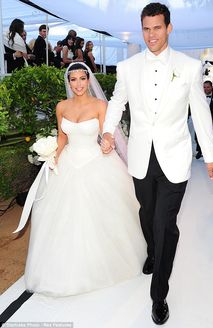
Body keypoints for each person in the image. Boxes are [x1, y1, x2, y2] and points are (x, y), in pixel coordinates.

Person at [101, 2, 213, 325]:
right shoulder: (126, 68)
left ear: (169, 28)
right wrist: (107, 132)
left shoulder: (189, 67)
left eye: (157, 27)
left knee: (164, 223)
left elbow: (200, 112)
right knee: (147, 214)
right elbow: (116, 102)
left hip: (175, 157)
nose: (151, 34)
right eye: (146, 28)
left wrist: (210, 156)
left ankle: (159, 296)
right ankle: (153, 251)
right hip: (141, 157)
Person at [15, 62, 146, 297]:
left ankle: (103, 263)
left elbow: (107, 134)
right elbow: (63, 136)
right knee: (61, 217)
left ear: (88, 80)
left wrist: (108, 144)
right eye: (73, 79)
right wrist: (53, 153)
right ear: (68, 82)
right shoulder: (61, 106)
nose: (78, 84)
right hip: (68, 162)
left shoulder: (99, 105)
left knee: (103, 215)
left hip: (97, 163)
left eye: (82, 79)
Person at [195, 80, 213, 159]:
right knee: (197, 136)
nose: (206, 89)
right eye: (204, 87)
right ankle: (200, 150)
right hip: (200, 120)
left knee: (211, 137)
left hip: (212, 120)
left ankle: (208, 152)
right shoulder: (199, 96)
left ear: (211, 87)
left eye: (208, 87)